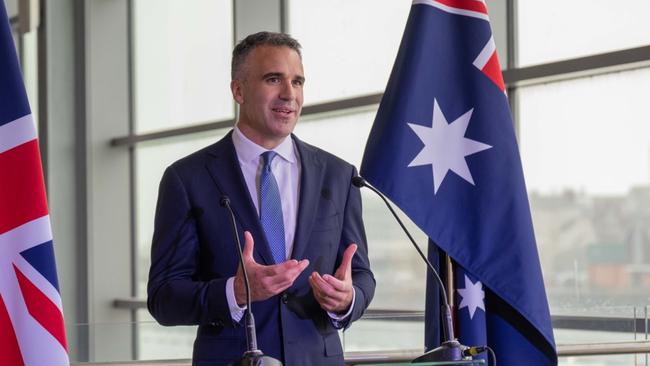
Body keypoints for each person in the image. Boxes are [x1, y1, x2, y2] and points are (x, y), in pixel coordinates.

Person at [147, 31, 376, 366]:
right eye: (274, 79)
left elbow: (361, 274)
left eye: (298, 82)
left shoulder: (339, 175)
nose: (289, 94)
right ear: (238, 90)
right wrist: (234, 292)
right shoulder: (187, 178)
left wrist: (347, 298)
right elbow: (164, 297)